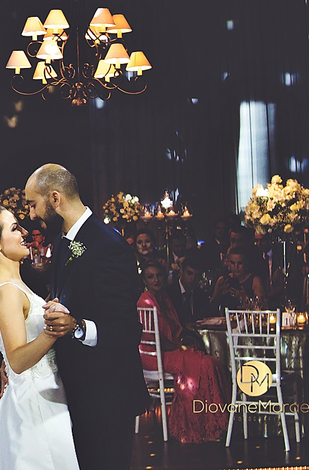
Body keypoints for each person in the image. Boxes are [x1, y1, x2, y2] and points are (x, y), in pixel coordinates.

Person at [28, 163, 148, 470]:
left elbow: (127, 330)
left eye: (33, 204)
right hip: (77, 392)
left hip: (107, 395)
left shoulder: (108, 245)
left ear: (54, 199)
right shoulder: (62, 241)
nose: (31, 216)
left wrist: (78, 326)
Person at [0, 204, 78, 470]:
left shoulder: (9, 283)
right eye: (15, 228)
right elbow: (17, 359)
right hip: (34, 404)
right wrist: (54, 328)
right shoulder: (6, 290)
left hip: (42, 393)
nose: (24, 233)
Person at [137, 260, 228, 442]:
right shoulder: (145, 301)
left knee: (213, 363)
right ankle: (198, 425)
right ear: (145, 280)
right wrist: (181, 347)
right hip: (154, 355)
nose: (156, 279)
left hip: (168, 351)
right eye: (150, 276)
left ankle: (211, 423)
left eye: (159, 275)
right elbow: (155, 340)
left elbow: (173, 331)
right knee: (205, 365)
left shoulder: (165, 298)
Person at [171, 250, 214, 322]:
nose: (193, 278)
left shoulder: (202, 296)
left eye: (197, 275)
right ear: (182, 271)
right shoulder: (169, 293)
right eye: (189, 273)